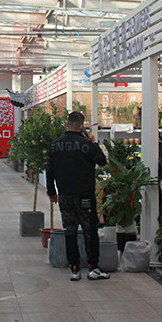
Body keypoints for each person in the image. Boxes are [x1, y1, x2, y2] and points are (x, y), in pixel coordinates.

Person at [47, 111, 110, 281]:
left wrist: (51, 192)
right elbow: (102, 161)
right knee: (90, 231)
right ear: (81, 126)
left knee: (70, 230)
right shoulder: (86, 144)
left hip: (65, 195)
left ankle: (74, 269)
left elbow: (49, 169)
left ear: (67, 124)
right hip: (85, 195)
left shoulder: (55, 145)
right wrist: (94, 142)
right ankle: (93, 268)